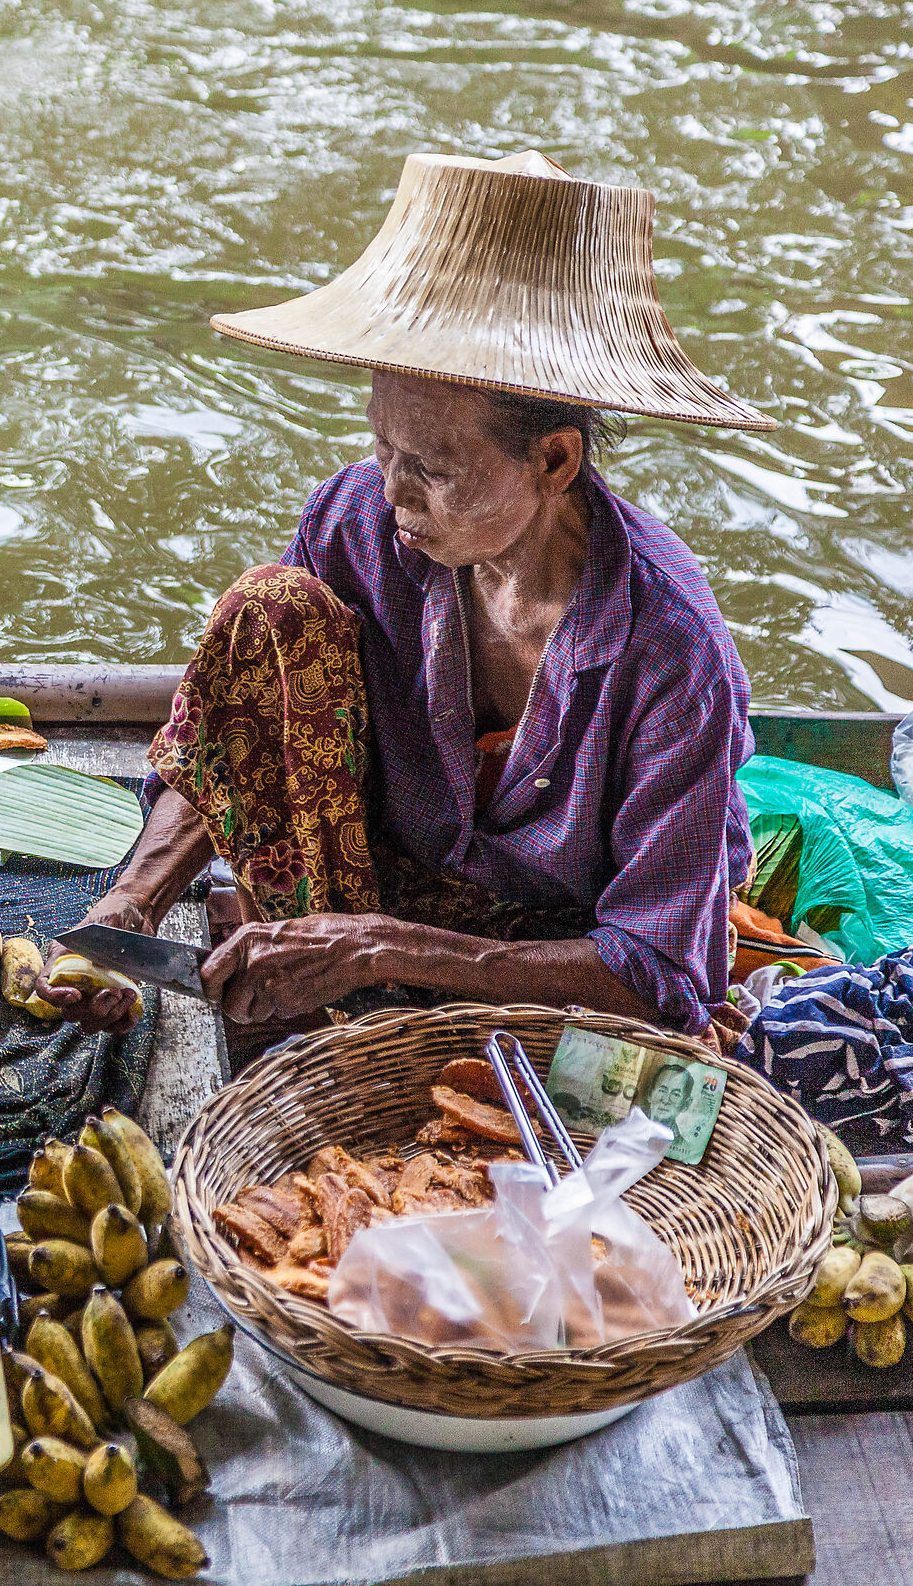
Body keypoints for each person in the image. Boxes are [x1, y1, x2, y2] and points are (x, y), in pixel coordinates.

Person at [44, 151, 776, 1052]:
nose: (393, 492)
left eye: (432, 468)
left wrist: (384, 949)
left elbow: (659, 971)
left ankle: (355, 992)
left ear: (553, 462)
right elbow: (241, 730)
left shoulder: (669, 647)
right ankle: (320, 1007)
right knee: (271, 611)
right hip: (366, 896)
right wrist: (134, 903)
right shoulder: (359, 520)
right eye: (384, 448)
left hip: (548, 958)